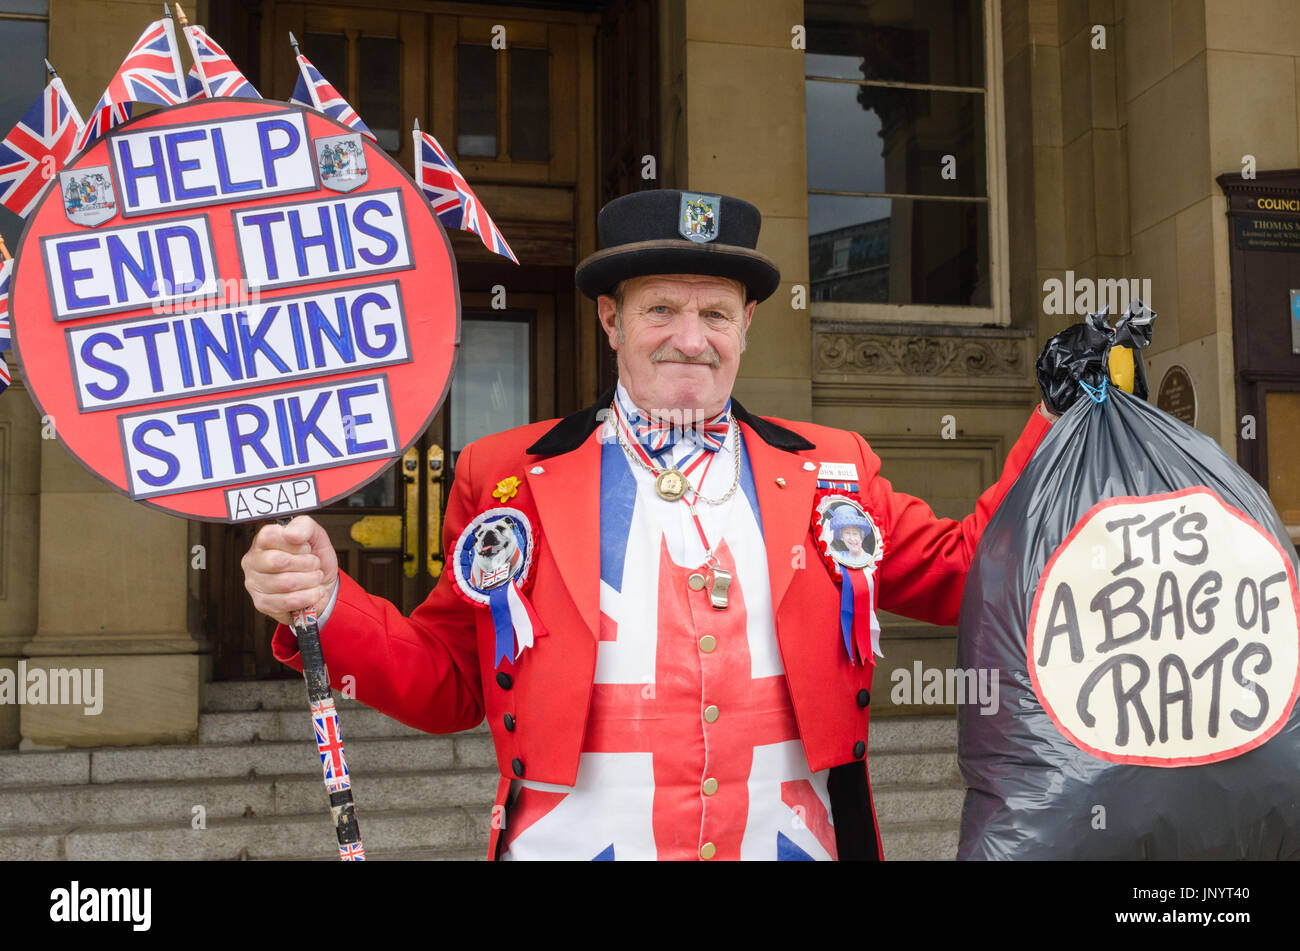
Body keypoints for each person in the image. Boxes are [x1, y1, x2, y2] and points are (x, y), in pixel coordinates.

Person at [244, 188, 1057, 860]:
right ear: (611, 321)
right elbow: (452, 680)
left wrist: (1056, 420)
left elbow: (967, 571)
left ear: (747, 327)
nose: (691, 339)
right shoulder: (505, 475)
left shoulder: (831, 465)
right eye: (661, 308)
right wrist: (325, 603)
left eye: (717, 313)